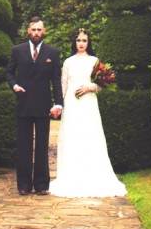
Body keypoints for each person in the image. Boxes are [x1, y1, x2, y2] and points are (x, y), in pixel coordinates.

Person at [49, 28, 126, 197]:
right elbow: (63, 85)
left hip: (88, 103)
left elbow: (103, 83)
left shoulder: (94, 61)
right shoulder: (68, 62)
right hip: (72, 103)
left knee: (90, 135)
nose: (81, 43)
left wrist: (90, 87)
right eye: (78, 40)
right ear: (74, 42)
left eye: (84, 40)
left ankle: (93, 175)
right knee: (72, 136)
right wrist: (58, 105)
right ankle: (72, 176)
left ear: (88, 43)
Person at [6, 16, 63, 195]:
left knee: (41, 146)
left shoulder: (52, 53)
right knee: (23, 146)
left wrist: (59, 103)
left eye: (39, 30)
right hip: (23, 104)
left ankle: (41, 185)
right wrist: (14, 85)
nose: (36, 33)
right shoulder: (17, 50)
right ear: (28, 31)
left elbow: (56, 80)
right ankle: (23, 185)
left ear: (44, 31)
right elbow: (9, 72)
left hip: (43, 106)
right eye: (33, 30)